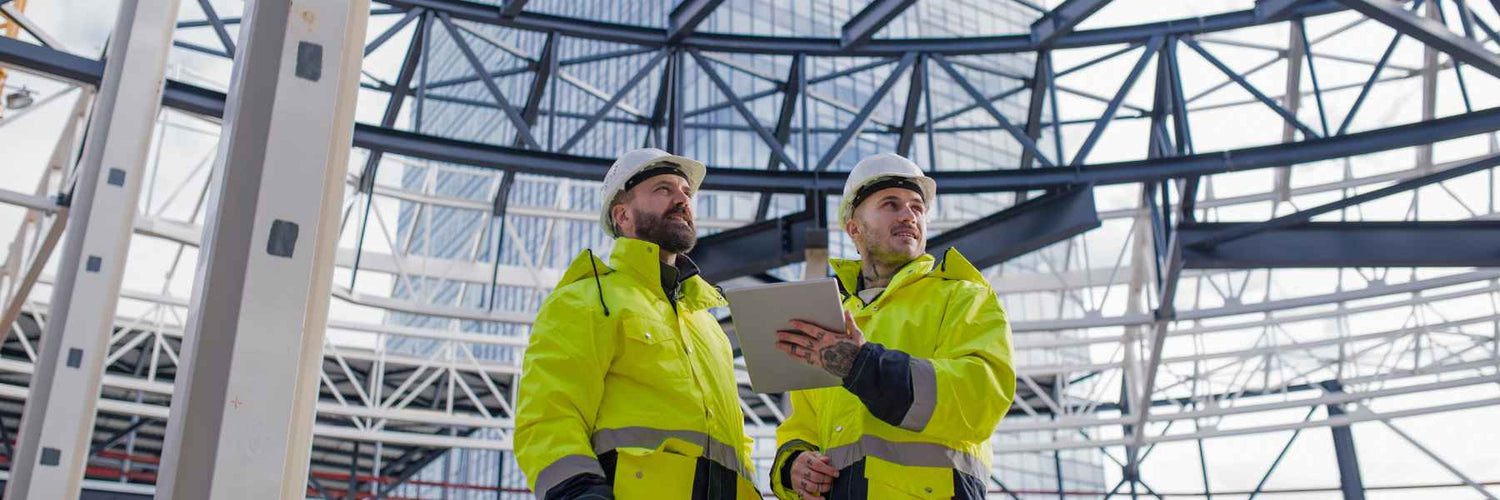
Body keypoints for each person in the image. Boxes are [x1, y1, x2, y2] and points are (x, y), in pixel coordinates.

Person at [769, 153, 1016, 499]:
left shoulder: (963, 296)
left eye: (917, 207)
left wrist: (864, 367)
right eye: (891, 204)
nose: (909, 216)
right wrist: (794, 464)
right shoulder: (829, 319)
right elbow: (802, 422)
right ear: (854, 228)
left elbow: (980, 400)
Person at [515, 148, 758, 499]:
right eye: (663, 189)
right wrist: (578, 491)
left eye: (686, 192)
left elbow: (737, 443)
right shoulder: (587, 299)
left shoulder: (706, 325)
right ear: (622, 215)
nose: (681, 200)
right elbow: (548, 415)